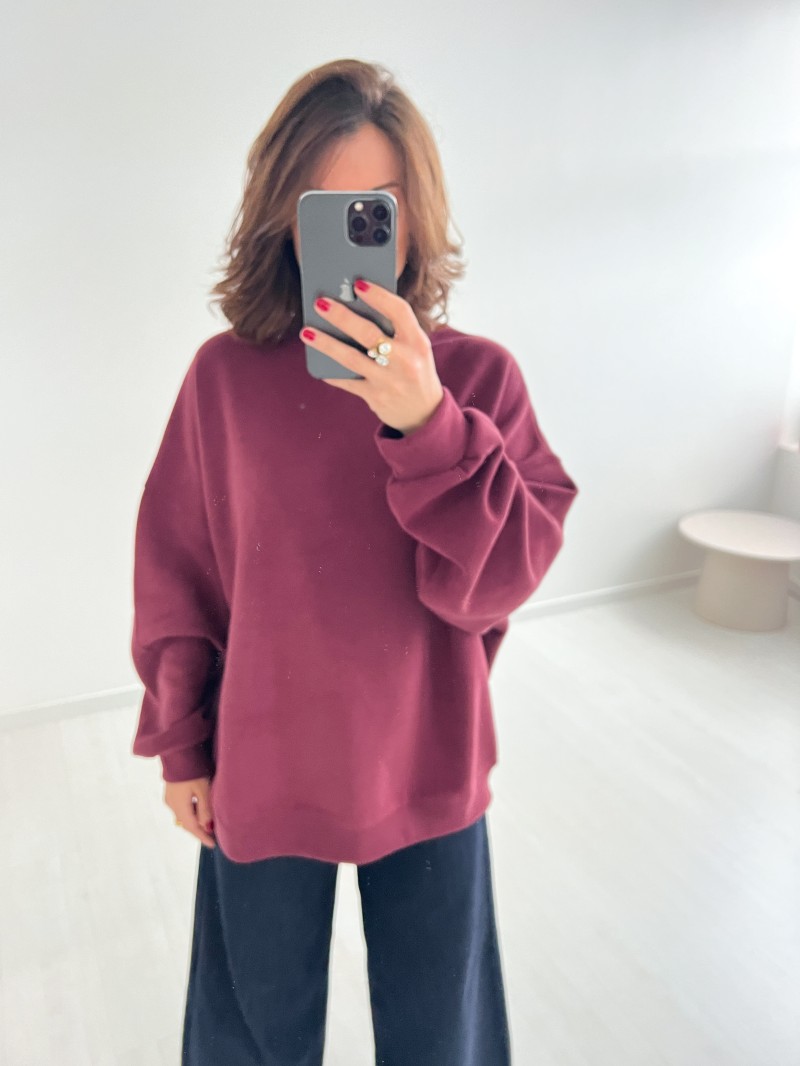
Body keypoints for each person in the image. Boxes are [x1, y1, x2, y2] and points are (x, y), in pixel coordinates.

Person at [130, 57, 578, 1066]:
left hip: (427, 758)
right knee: (249, 1038)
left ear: (414, 216)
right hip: (265, 762)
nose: (350, 232)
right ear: (281, 216)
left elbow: (504, 577)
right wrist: (182, 744)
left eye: (375, 207)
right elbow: (179, 573)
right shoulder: (224, 380)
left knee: (440, 1039)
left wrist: (428, 425)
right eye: (321, 207)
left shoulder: (477, 380)